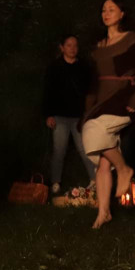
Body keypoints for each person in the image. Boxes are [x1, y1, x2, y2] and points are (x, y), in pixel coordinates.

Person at [80, 0, 135, 229]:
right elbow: (93, 81)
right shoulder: (98, 46)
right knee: (101, 161)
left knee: (94, 129)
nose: (106, 13)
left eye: (111, 9)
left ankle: (123, 168)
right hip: (102, 102)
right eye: (103, 10)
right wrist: (89, 105)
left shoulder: (131, 40)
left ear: (122, 14)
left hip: (123, 97)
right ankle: (103, 212)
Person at [43, 34, 95, 194]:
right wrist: (49, 114)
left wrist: (88, 113)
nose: (72, 49)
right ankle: (56, 182)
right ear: (62, 47)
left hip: (79, 116)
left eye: (75, 46)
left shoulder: (83, 67)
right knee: (59, 149)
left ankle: (95, 179)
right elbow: (48, 92)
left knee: (85, 149)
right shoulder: (54, 67)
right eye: (69, 45)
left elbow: (89, 91)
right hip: (60, 116)